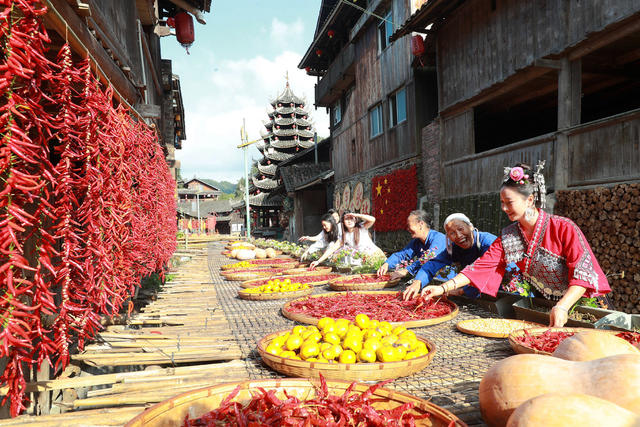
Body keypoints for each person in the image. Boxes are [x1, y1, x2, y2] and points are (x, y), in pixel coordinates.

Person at [420, 161, 611, 327]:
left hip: (583, 307)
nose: (503, 208)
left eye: (508, 202)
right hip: (546, 306)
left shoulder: (563, 227)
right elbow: (481, 266)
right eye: (501, 202)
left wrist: (562, 306)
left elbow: (583, 274)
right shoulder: (510, 236)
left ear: (529, 200)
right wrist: (442, 288)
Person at [420, 213, 499, 299]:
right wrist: (418, 281)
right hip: (481, 295)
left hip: (506, 292)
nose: (459, 235)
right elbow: (435, 263)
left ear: (470, 227)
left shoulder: (489, 242)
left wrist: (460, 291)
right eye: (452, 233)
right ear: (448, 237)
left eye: (461, 229)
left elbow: (483, 272)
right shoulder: (455, 248)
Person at [376, 210, 448, 300]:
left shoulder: (439, 239)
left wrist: (406, 271)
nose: (407, 229)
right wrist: (387, 264)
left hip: (445, 284)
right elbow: (402, 254)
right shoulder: (417, 242)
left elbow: (427, 259)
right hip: (426, 283)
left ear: (420, 224)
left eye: (409, 225)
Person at [310, 211, 382, 268]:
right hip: (366, 262)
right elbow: (332, 249)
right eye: (347, 219)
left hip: (375, 257)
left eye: (351, 218)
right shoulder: (344, 236)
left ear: (355, 220)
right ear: (343, 222)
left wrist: (357, 215)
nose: (349, 221)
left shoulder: (362, 227)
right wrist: (318, 261)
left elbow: (373, 219)